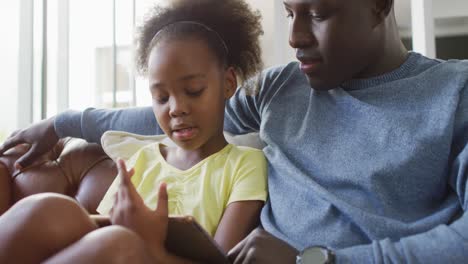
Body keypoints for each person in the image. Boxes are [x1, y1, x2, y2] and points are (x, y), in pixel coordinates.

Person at [1, 0, 468, 263]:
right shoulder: (281, 89)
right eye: (290, 13)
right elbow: (173, 115)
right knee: (48, 213)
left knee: (116, 250)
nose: (295, 37)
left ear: (378, 5)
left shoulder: (455, 93)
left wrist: (317, 261)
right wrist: (64, 122)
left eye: (319, 14)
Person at [0, 0, 268, 263]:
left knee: (121, 244)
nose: (176, 109)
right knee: (51, 209)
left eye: (194, 91)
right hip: (113, 250)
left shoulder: (245, 164)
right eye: (162, 97)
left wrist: (150, 247)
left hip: (137, 255)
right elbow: (99, 229)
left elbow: (223, 259)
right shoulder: (143, 159)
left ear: (229, 83)